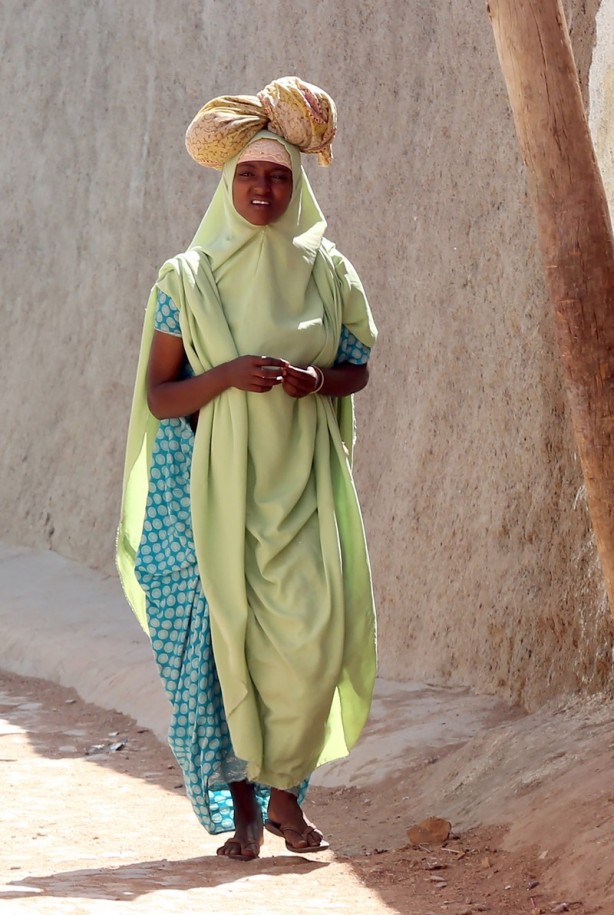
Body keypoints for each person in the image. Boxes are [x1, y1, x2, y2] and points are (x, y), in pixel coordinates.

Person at [117, 76, 378, 862]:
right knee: (227, 644)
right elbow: (161, 396)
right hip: (213, 496)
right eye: (248, 175)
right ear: (227, 185)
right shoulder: (186, 279)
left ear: (296, 187)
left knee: (313, 638)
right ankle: (251, 812)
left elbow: (357, 366)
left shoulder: (329, 272)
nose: (262, 189)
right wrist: (228, 375)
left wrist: (316, 382)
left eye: (278, 176)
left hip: (300, 492)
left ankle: (290, 788)